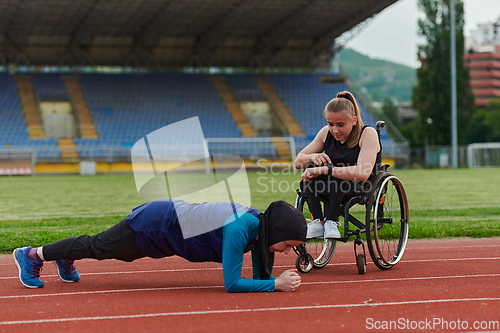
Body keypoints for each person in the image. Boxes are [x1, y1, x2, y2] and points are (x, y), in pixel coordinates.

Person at [13, 199, 306, 293]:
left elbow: (258, 276)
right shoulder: (240, 226)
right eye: (288, 244)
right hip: (156, 223)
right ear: (276, 231)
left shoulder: (260, 229)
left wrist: (273, 281)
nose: (287, 251)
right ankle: (32, 255)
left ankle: (63, 259)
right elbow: (232, 284)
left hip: (170, 235)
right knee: (99, 247)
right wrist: (275, 285)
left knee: (116, 255)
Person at [293, 91, 381, 239]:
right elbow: (298, 162)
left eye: (340, 125)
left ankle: (332, 221)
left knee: (337, 169)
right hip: (330, 182)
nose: (334, 130)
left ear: (353, 120)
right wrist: (314, 156)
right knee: (310, 167)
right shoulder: (325, 133)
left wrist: (325, 169)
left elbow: (362, 173)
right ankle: (318, 222)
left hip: (357, 185)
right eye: (330, 124)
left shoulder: (368, 133)